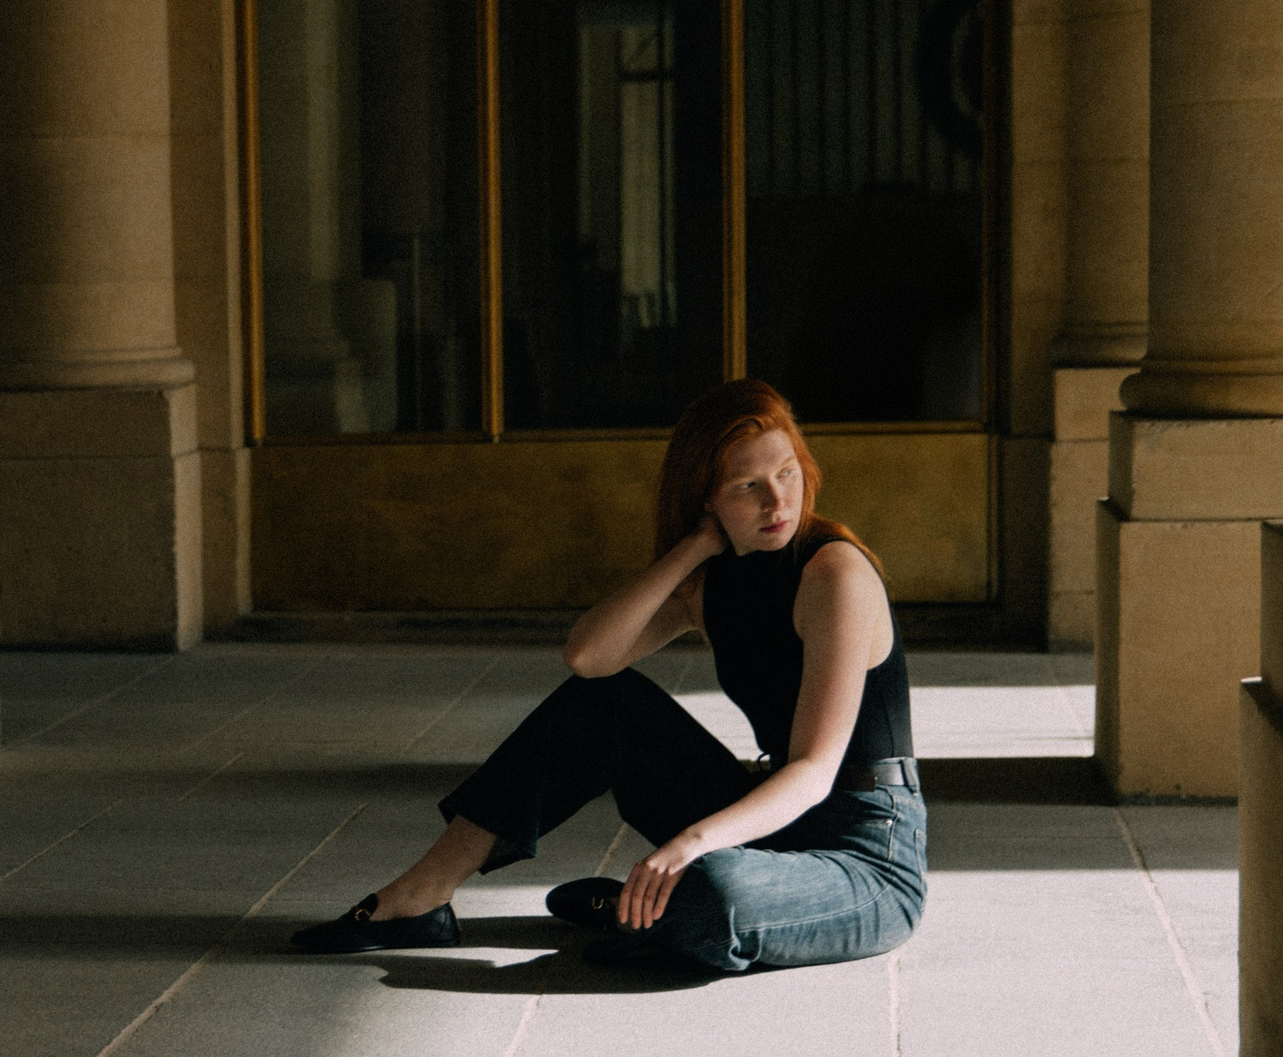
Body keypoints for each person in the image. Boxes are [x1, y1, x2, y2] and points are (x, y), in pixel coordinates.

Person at [289, 378, 926, 972]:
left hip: (863, 853)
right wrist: (695, 546)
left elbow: (814, 773)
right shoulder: (712, 582)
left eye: (786, 473)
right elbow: (589, 657)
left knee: (714, 889)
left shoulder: (834, 575)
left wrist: (692, 842)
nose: (777, 500)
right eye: (746, 487)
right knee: (604, 702)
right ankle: (420, 899)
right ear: (707, 499)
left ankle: (643, 906)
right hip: (771, 823)